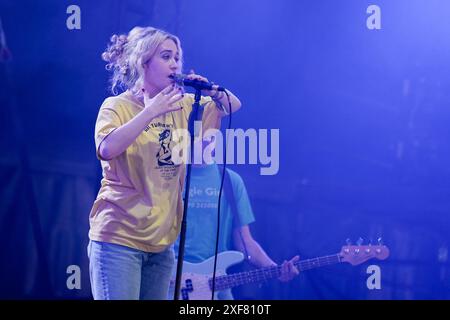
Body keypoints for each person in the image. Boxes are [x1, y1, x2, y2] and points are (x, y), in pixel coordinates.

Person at [87, 26, 242, 300]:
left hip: (162, 244)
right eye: (166, 56)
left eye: (177, 58)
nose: (174, 63)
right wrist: (151, 111)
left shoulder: (182, 105)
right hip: (119, 237)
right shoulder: (116, 107)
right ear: (142, 62)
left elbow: (232, 105)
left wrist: (213, 91)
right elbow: (107, 148)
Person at [173, 161, 300, 300]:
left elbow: (245, 242)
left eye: (209, 137)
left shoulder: (230, 180)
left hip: (215, 279)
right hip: (172, 277)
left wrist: (276, 269)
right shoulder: (168, 177)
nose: (204, 139)